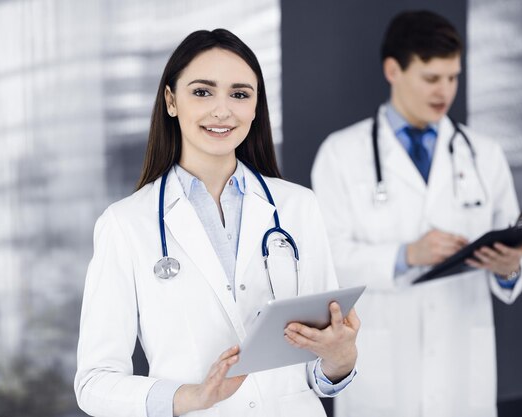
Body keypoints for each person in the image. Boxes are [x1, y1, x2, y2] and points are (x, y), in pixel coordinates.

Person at [75, 29, 360, 417]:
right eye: (202, 92)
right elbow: (94, 382)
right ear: (171, 101)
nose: (222, 111)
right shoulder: (125, 224)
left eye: (240, 94)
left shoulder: (298, 207)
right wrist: (191, 397)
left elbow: (318, 371)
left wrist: (340, 357)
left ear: (256, 107)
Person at [311, 10, 522, 417]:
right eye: (431, 78)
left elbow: (515, 248)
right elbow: (327, 262)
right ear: (393, 70)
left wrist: (510, 267)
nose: (444, 91)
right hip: (382, 370)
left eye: (452, 77)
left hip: (464, 369)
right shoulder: (341, 154)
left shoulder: (485, 154)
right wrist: (404, 255)